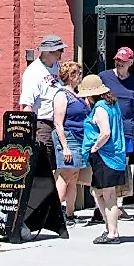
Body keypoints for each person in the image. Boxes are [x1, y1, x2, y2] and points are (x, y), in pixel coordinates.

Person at [78, 73, 131, 243]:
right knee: (96, 191)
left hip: (105, 156)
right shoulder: (112, 104)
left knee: (109, 196)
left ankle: (112, 233)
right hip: (112, 156)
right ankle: (108, 228)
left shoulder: (100, 108)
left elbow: (105, 132)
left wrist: (95, 147)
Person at [97, 46, 134, 215]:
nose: (119, 63)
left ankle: (118, 204)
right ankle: (101, 205)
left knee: (122, 165)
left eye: (123, 61)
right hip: (105, 130)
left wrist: (127, 116)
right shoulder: (104, 77)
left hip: (125, 131)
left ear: (130, 62)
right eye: (117, 60)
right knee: (103, 164)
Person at [52, 59, 90, 221]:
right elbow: (58, 123)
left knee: (74, 177)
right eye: (77, 73)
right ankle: (53, 214)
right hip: (68, 137)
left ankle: (69, 213)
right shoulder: (62, 94)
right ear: (70, 75)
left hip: (80, 137)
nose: (80, 76)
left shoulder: (77, 94)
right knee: (65, 175)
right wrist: (65, 147)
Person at [20, 35, 65, 116]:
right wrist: (30, 122)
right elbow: (27, 104)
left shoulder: (58, 67)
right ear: (48, 51)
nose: (62, 52)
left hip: (59, 118)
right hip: (42, 119)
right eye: (60, 50)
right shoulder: (33, 72)